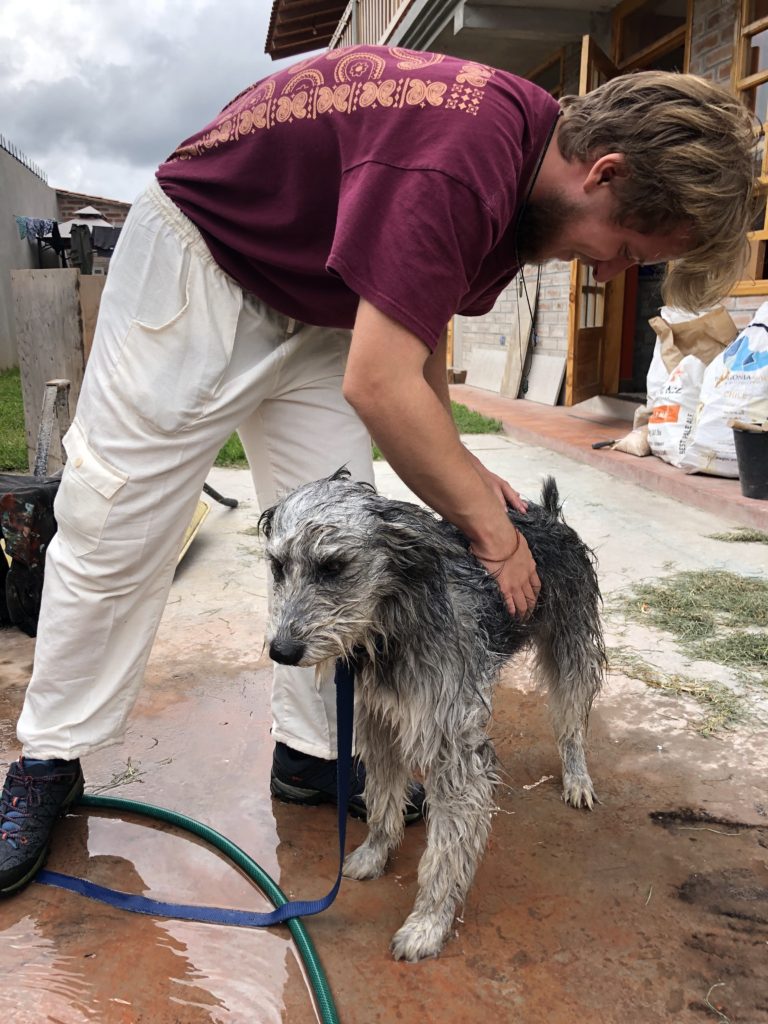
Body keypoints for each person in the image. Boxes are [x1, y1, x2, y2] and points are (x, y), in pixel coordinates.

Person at [0, 44, 757, 897]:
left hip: (325, 302)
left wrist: (463, 463)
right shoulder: (468, 157)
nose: (614, 272)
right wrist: (498, 536)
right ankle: (50, 757)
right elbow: (380, 382)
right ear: (605, 172)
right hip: (207, 264)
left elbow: (415, 330)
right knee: (116, 517)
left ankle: (317, 755)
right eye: (625, 246)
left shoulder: (523, 183)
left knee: (340, 537)